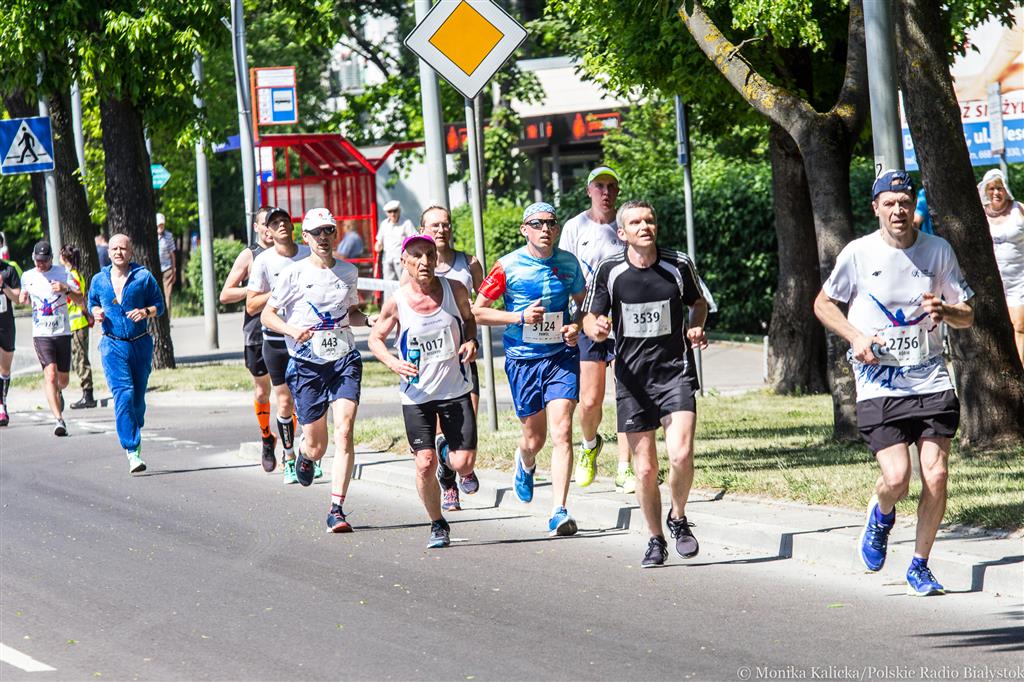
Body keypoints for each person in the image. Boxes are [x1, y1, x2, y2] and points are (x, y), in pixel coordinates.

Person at [813, 170, 975, 597]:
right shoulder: (858, 253)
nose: (898, 210)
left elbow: (967, 314)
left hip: (931, 377)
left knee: (936, 475)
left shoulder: (938, 250)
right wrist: (856, 337)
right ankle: (882, 512)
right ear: (876, 208)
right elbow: (823, 304)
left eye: (904, 202)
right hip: (879, 384)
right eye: (889, 203)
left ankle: (919, 565)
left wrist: (946, 311)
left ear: (912, 205)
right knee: (898, 478)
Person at [582, 200, 709, 567]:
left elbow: (698, 303)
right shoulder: (610, 270)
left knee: (681, 454)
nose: (645, 227)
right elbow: (589, 316)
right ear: (622, 233)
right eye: (636, 222)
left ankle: (678, 517)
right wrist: (596, 328)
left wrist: (696, 326)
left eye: (649, 220)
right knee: (645, 469)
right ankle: (655, 539)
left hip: (674, 373)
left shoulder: (678, 264)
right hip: (632, 380)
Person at [473, 201, 586, 536]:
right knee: (534, 439)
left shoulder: (569, 263)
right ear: (524, 230)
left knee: (563, 431)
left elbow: (583, 304)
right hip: (523, 360)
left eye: (550, 223)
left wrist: (576, 326)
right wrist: (519, 317)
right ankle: (525, 460)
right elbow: (478, 311)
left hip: (561, 357)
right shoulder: (507, 266)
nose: (545, 229)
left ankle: (559, 510)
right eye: (537, 224)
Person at [261, 207, 371, 533]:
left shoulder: (348, 272)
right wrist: (292, 330)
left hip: (344, 360)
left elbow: (351, 312)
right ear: (306, 237)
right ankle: (305, 455)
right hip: (307, 365)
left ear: (335, 234)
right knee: (317, 445)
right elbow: (268, 315)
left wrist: (370, 321)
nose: (324, 237)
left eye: (329, 231)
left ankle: (336, 509)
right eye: (317, 232)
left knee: (345, 430)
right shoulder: (293, 274)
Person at [369, 234, 480, 547]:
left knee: (464, 464)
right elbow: (375, 339)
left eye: (429, 254)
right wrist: (393, 363)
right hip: (416, 396)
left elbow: (469, 319)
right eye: (416, 256)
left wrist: (471, 341)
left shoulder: (455, 289)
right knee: (424, 463)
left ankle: (447, 454)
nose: (424, 262)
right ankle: (437, 524)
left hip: (455, 391)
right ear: (404, 261)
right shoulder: (397, 301)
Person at [559, 165, 635, 493]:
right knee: (590, 401)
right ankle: (590, 445)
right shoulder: (575, 227)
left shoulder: (626, 226)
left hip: (623, 322)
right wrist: (573, 318)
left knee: (627, 395)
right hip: (587, 320)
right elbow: (564, 272)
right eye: (600, 186)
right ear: (589, 190)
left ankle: (624, 467)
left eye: (611, 186)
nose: (606, 192)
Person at [403, 205, 484, 511]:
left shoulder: (468, 263)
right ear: (423, 230)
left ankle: (460, 465)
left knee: (468, 418)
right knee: (437, 428)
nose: (441, 230)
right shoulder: (412, 266)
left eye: (446, 224)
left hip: (460, 356)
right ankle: (449, 483)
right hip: (428, 364)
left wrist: (472, 331)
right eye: (434, 225)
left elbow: (482, 303)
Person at [88, 234, 165, 473]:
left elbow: (160, 306)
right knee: (123, 394)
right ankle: (132, 451)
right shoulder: (99, 279)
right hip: (112, 345)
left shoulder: (143, 277)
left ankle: (135, 422)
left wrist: (145, 312)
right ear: (108, 252)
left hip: (140, 344)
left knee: (137, 399)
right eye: (114, 249)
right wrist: (96, 311)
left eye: (123, 248)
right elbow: (92, 303)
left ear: (130, 252)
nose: (118, 252)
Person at [247, 207, 312, 481]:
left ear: (293, 226)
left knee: (309, 400)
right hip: (275, 340)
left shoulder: (309, 254)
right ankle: (289, 457)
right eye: (275, 223)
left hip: (308, 337)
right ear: (268, 232)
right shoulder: (263, 261)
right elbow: (251, 305)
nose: (281, 224)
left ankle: (310, 453)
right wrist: (278, 292)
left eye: (285, 220)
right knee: (284, 401)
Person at [220, 207, 277, 472]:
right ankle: (267, 437)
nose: (269, 229)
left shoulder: (289, 253)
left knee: (290, 392)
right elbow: (225, 294)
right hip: (256, 331)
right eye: (265, 224)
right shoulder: (249, 255)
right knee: (262, 391)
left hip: (286, 329)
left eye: (273, 223)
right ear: (256, 227)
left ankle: (295, 446)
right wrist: (253, 290)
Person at [20, 241, 83, 436]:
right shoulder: (27, 276)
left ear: (51, 259)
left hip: (62, 332)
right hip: (41, 335)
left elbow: (80, 298)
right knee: (51, 375)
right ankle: (59, 420)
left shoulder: (63, 273)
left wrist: (65, 289)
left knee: (63, 380)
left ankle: (59, 391)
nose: (40, 264)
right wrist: (23, 298)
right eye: (37, 261)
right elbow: (23, 298)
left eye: (44, 261)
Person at [978, 169, 1024, 366]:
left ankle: (1020, 370)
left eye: (1000, 188)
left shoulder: (1019, 210)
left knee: (1019, 325)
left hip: (1019, 278)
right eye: (991, 188)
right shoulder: (979, 214)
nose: (996, 192)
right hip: (992, 282)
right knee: (996, 327)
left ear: (1006, 189)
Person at [59, 244, 97, 409]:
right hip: (76, 322)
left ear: (65, 257)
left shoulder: (71, 276)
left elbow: (79, 298)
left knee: (80, 358)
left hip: (77, 322)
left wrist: (87, 315)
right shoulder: (76, 274)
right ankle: (86, 392)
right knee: (78, 357)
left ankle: (88, 394)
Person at [0, 252, 22, 427]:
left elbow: (18, 298)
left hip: (6, 325)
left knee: (4, 369)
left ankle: (3, 401)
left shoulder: (9, 270)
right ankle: (0, 407)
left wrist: (3, 285)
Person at [375, 200, 415, 283]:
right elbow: (379, 241)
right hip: (387, 260)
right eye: (390, 212)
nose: (392, 214)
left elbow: (414, 239)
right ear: (387, 213)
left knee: (404, 283)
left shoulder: (406, 223)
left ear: (399, 211)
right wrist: (378, 245)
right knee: (388, 284)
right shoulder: (384, 224)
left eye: (395, 211)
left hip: (402, 260)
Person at [156, 213, 176, 317]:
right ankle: (158, 317)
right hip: (155, 269)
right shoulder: (151, 236)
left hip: (167, 269)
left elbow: (172, 254)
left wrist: (174, 270)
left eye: (162, 224)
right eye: (159, 224)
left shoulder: (168, 236)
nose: (161, 227)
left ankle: (167, 318)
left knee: (167, 295)